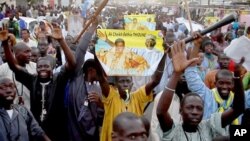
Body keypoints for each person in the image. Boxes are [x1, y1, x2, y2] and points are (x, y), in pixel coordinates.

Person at [157, 41, 245, 140]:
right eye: (190, 107)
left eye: (199, 108)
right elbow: (161, 112)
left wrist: (237, 77)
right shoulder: (173, 131)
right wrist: (176, 74)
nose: (195, 112)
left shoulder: (209, 126)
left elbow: (238, 109)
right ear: (181, 111)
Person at [2, 26, 76, 141]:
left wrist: (61, 41)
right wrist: (5, 44)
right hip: (37, 130)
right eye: (39, 66)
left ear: (52, 68)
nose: (42, 69)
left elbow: (72, 63)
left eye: (46, 66)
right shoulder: (32, 80)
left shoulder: (58, 79)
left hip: (57, 129)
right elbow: (13, 66)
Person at [98, 46, 166, 141]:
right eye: (122, 81)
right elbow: (101, 79)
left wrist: (164, 55)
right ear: (116, 85)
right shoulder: (111, 96)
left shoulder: (138, 96)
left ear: (132, 84)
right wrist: (97, 54)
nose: (125, 84)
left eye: (127, 81)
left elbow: (155, 81)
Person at [184, 34, 250, 121]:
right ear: (215, 83)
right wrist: (196, 45)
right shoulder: (207, 95)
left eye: (228, 83)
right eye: (221, 83)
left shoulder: (240, 98)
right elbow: (191, 74)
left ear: (233, 84)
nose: (224, 86)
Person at [66, 19, 104, 141]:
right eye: (95, 70)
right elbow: (81, 51)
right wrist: (92, 28)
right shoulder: (76, 79)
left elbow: (105, 111)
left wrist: (100, 103)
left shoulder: (101, 87)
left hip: (93, 133)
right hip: (75, 131)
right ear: (89, 70)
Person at [0, 77, 51, 141]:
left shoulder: (22, 110)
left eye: (11, 86)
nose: (9, 91)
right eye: (3, 87)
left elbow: (37, 131)